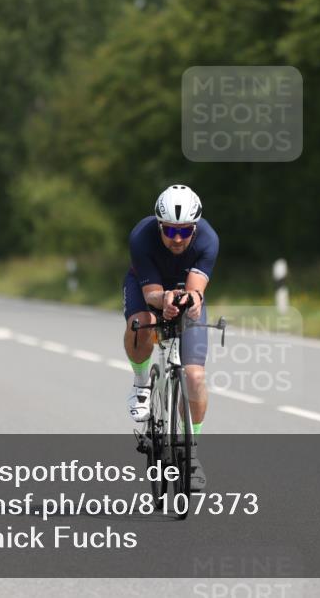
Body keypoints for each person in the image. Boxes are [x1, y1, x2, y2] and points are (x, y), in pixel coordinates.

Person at [123, 184, 218, 490]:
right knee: (142, 322)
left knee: (195, 376)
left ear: (196, 227)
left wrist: (191, 301)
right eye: (170, 231)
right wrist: (164, 299)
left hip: (184, 291)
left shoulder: (208, 239)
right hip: (148, 287)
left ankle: (192, 456)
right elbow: (151, 294)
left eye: (185, 231)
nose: (177, 239)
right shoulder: (142, 235)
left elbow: (196, 288)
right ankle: (141, 384)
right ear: (159, 225)